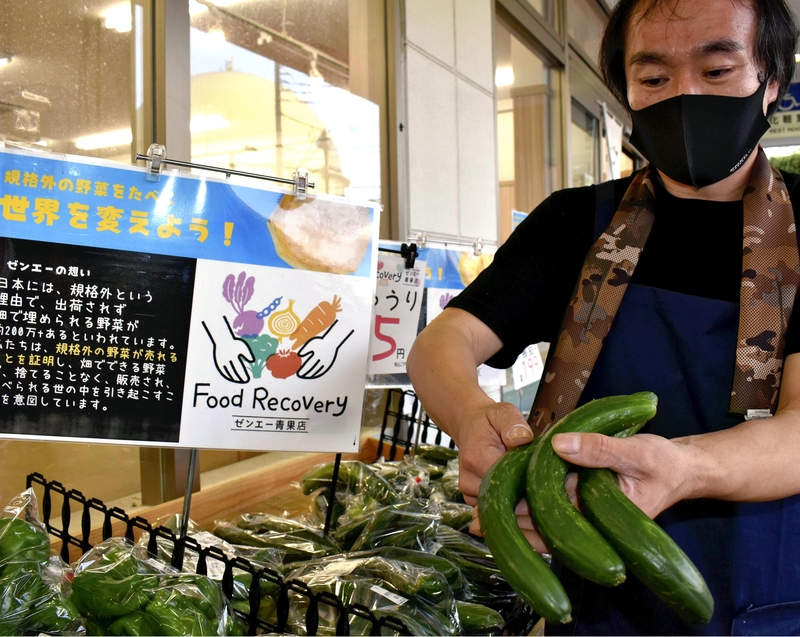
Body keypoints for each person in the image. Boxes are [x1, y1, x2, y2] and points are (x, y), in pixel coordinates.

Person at [406, 0, 800, 634]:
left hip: (764, 600)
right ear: (626, 94)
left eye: (717, 70)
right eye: (654, 78)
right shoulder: (575, 224)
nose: (684, 94)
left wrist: (684, 468)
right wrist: (472, 416)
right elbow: (442, 342)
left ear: (770, 81)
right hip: (593, 593)